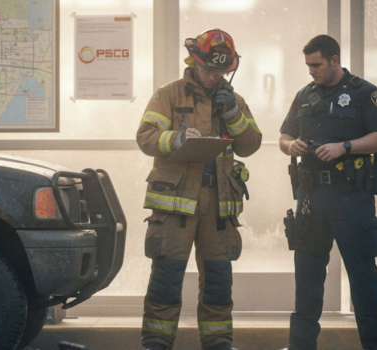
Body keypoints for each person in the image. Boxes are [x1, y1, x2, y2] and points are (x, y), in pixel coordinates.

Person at [136, 28, 262, 350]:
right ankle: (156, 342)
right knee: (166, 277)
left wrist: (232, 112)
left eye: (219, 71)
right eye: (208, 70)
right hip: (176, 203)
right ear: (194, 62)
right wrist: (178, 139)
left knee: (219, 281)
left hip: (219, 205)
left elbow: (251, 144)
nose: (212, 77)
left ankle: (219, 342)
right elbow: (146, 136)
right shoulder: (169, 94)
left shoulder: (234, 101)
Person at [277, 34, 377, 350]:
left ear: (334, 60)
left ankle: (374, 345)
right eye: (308, 65)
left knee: (363, 277)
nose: (311, 70)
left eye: (316, 64)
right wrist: (291, 145)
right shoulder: (304, 95)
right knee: (307, 279)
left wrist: (346, 147)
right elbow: (285, 134)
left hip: (351, 198)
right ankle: (300, 345)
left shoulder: (364, 93)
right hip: (311, 199)